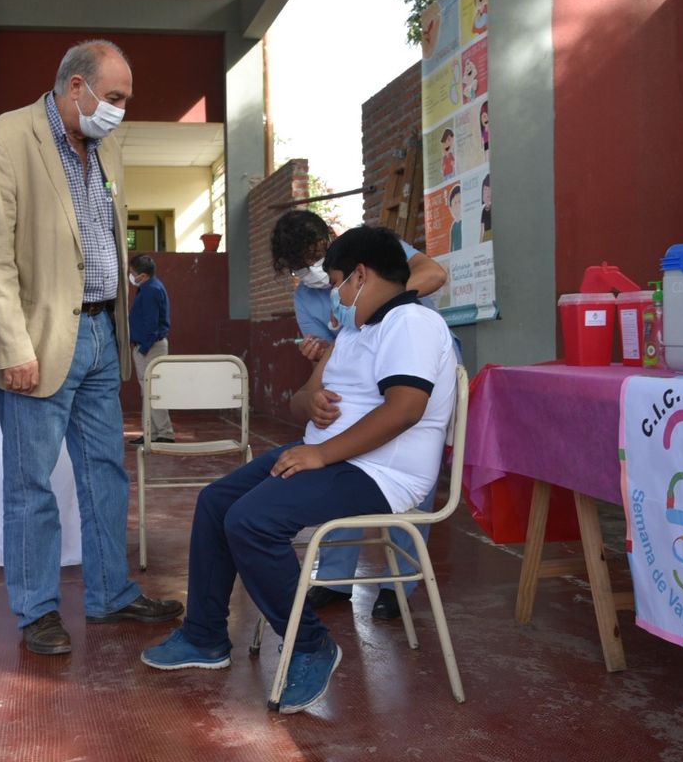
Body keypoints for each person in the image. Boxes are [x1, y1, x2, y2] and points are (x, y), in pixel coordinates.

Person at [142, 227, 457, 714]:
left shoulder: (411, 324)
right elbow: (299, 402)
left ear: (361, 275)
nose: (335, 298)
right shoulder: (354, 331)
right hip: (331, 453)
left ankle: (311, 645)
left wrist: (321, 455)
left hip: (381, 472)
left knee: (252, 521)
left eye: (337, 284)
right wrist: (310, 402)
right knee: (217, 502)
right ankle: (204, 637)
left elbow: (405, 410)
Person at [0, 39, 183, 655]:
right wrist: (12, 345)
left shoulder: (107, 150)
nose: (120, 110)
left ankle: (111, 592)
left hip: (99, 334)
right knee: (31, 480)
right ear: (76, 87)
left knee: (105, 474)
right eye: (114, 97)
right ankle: (36, 610)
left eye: (126, 100)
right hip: (36, 339)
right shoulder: (5, 139)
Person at [271, 210, 449, 621]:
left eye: (319, 261)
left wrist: (377, 305)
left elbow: (433, 274)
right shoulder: (308, 296)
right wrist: (320, 363)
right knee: (342, 460)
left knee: (408, 466)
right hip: (358, 379)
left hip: (412, 368)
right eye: (303, 268)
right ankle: (335, 580)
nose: (315, 275)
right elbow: (327, 354)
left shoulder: (371, 253)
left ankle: (399, 585)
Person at [127, 254, 174, 444]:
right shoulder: (151, 287)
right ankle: (152, 433)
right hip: (149, 346)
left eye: (132, 273)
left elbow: (151, 324)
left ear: (143, 276)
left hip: (149, 347)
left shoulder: (150, 291)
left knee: (153, 390)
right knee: (149, 391)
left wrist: (143, 348)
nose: (131, 276)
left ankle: (164, 433)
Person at [448, 185, 464, 252]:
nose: (457, 205)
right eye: (455, 203)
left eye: (459, 202)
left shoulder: (465, 222)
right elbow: (451, 247)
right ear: (451, 207)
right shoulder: (453, 226)